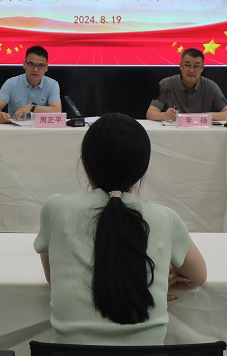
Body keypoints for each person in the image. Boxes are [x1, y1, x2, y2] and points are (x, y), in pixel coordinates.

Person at [34, 113, 207, 345]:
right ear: (141, 169)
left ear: (85, 163)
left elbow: (52, 277)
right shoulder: (165, 218)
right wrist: (146, 278)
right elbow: (197, 276)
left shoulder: (55, 209)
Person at [146, 48, 227, 122]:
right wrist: (164, 115)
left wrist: (204, 116)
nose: (191, 70)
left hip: (201, 131)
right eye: (187, 65)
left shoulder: (210, 86)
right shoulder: (166, 84)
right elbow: (150, 113)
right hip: (174, 131)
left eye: (196, 66)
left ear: (202, 68)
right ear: (180, 66)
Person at [0, 46, 61, 123]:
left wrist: (32, 107)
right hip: (15, 127)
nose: (35, 69)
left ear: (46, 68)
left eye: (40, 66)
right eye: (31, 64)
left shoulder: (52, 84)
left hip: (41, 127)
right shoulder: (11, 83)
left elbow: (57, 111)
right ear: (24, 64)